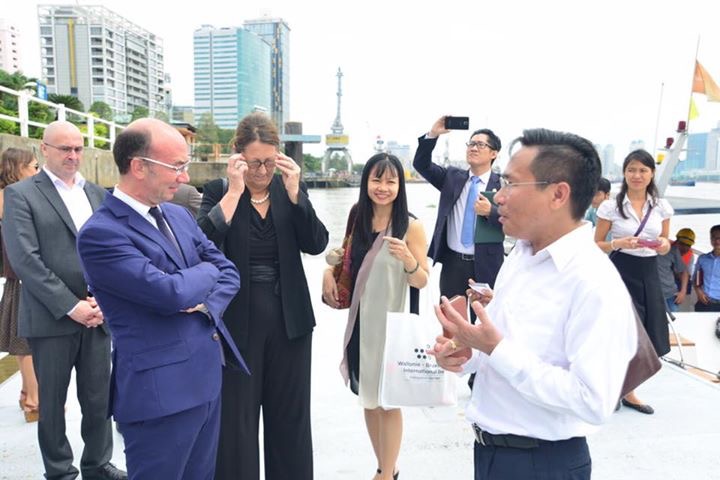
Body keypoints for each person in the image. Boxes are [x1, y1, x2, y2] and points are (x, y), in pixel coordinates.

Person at [430, 128, 637, 480]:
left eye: (511, 184)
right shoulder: (521, 255)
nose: (498, 197)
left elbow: (593, 400)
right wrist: (466, 353)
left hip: (543, 463)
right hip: (491, 454)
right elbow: (504, 345)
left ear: (558, 194)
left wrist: (495, 349)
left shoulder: (592, 281)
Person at [76, 118, 247, 479]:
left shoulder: (178, 215)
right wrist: (204, 273)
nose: (185, 177)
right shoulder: (101, 233)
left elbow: (229, 271)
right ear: (139, 166)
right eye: (177, 166)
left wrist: (206, 303)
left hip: (206, 379)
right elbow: (170, 293)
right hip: (159, 396)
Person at [197, 112, 328, 480]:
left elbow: (316, 243)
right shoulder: (219, 191)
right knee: (235, 421)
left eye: (269, 161)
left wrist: (296, 194)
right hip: (236, 321)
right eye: (255, 162)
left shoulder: (289, 189)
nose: (262, 170)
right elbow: (199, 245)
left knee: (291, 417)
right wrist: (234, 192)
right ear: (238, 156)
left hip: (291, 320)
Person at [2, 121, 125, 480]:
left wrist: (103, 302)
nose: (73, 156)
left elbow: (112, 252)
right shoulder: (22, 194)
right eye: (64, 148)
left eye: (78, 148)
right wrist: (72, 306)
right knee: (52, 404)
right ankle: (59, 472)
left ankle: (98, 465)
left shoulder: (98, 195)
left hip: (97, 316)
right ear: (44, 149)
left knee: (98, 399)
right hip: (51, 317)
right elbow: (25, 260)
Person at [323, 153, 429, 480]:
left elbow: (421, 280)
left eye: (390, 181)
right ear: (366, 182)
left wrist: (408, 259)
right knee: (369, 399)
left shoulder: (411, 226)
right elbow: (345, 258)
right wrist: (328, 271)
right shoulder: (358, 217)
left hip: (393, 325)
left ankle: (386, 475)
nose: (383, 187)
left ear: (400, 186)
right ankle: (385, 468)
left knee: (389, 401)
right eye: (376, 180)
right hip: (361, 324)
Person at [595, 149, 672, 415]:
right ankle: (613, 388)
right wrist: (619, 243)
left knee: (646, 334)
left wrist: (662, 244)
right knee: (620, 331)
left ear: (652, 174)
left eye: (642, 170)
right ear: (624, 173)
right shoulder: (610, 207)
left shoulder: (661, 207)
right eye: (631, 170)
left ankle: (628, 390)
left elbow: (666, 243)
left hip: (649, 272)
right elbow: (597, 244)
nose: (637, 175)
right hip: (620, 270)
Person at [412, 116, 503, 303]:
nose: (473, 148)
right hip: (452, 264)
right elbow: (421, 165)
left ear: (494, 153)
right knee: (450, 314)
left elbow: (518, 221)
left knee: (484, 316)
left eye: (480, 145)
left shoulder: (503, 185)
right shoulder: (452, 178)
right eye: (471, 144)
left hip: (487, 265)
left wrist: (491, 212)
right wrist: (433, 134)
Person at [0, 148, 40, 423]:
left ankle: (27, 393)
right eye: (34, 166)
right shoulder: (13, 197)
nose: (38, 171)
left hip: (17, 277)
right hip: (25, 276)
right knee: (25, 341)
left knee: (21, 338)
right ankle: (35, 401)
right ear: (18, 168)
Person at [656, 229, 691, 312]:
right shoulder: (642, 250)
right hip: (651, 295)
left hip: (670, 295)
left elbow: (684, 271)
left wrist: (683, 291)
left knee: (674, 319)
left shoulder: (673, 250)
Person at [693, 224, 720, 312]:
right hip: (705, 303)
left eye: (719, 238)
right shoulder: (702, 259)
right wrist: (699, 292)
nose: (717, 241)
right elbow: (696, 279)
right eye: (714, 237)